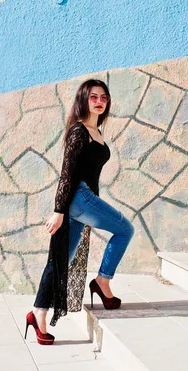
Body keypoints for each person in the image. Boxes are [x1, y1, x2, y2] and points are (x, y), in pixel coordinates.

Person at [24, 79, 135, 345]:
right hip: (78, 198)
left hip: (83, 202)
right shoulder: (79, 132)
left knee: (61, 260)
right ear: (83, 100)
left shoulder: (96, 130)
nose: (99, 101)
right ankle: (102, 282)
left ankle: (38, 313)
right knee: (125, 229)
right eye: (93, 96)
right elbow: (67, 174)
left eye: (104, 97)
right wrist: (58, 211)